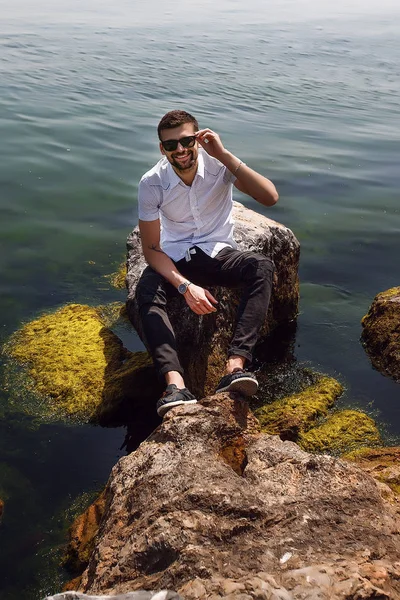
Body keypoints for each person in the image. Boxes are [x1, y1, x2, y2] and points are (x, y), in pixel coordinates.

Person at [135, 110, 279, 417]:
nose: (181, 150)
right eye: (171, 145)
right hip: (176, 257)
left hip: (219, 254)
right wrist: (185, 287)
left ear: (198, 139)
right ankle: (175, 384)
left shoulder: (219, 166)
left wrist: (225, 154)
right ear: (162, 149)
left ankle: (235, 367)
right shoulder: (152, 183)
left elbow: (270, 197)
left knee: (261, 266)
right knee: (146, 288)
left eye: (187, 140)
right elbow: (151, 249)